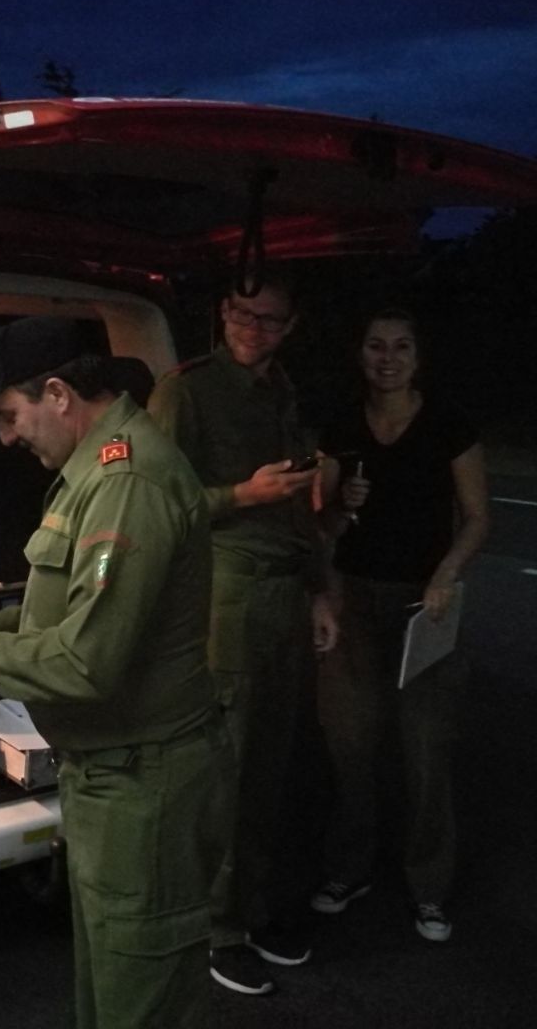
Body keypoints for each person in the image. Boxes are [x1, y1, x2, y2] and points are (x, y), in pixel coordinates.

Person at [0, 316, 232, 1029]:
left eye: (8, 415)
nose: (6, 437)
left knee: (141, 996)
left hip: (144, 786)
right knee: (110, 984)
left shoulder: (127, 481)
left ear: (57, 393)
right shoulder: (93, 472)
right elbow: (76, 598)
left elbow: (89, 662)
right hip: (110, 777)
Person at [147, 275, 339, 997]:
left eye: (269, 319)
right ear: (222, 312)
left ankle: (250, 911)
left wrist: (319, 588)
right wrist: (242, 494)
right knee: (227, 769)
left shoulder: (280, 390)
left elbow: (298, 509)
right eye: (241, 313)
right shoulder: (187, 391)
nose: (253, 328)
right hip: (230, 596)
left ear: (291, 325)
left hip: (284, 591)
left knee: (270, 766)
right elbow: (156, 505)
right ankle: (216, 930)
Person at [311, 307, 489, 944]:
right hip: (353, 600)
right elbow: (319, 526)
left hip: (425, 605)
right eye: (376, 346)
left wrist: (445, 573)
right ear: (360, 354)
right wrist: (339, 504)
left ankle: (429, 887)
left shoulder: (448, 424)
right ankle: (349, 868)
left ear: (418, 357)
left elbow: (477, 517)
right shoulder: (341, 425)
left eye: (401, 346)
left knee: (426, 750)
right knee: (349, 745)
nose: (388, 358)